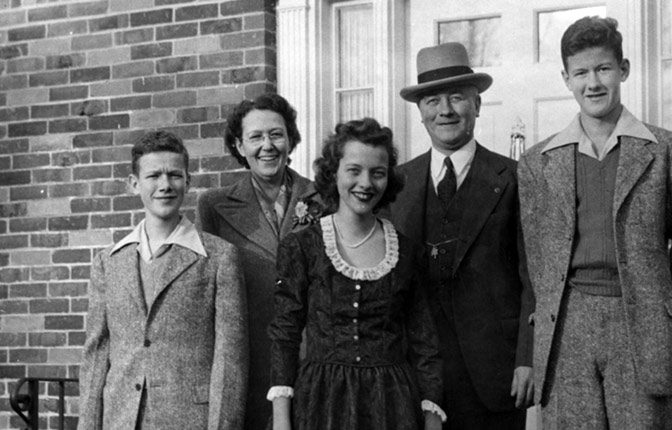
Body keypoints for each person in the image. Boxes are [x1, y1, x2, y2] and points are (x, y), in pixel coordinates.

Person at [517, 16, 672, 429]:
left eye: (603, 68)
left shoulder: (669, 152)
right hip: (568, 325)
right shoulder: (538, 163)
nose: (594, 83)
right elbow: (539, 259)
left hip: (638, 322)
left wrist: (663, 315)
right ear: (566, 78)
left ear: (623, 70)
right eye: (581, 72)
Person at [390, 42, 534, 429]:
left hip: (494, 375)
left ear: (477, 104)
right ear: (420, 112)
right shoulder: (396, 183)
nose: (446, 110)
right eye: (433, 100)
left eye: (457, 97)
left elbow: (533, 278)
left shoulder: (515, 178)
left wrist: (527, 356)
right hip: (414, 375)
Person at [268, 118, 446, 430]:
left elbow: (425, 343)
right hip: (321, 402)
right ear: (333, 173)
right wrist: (282, 421)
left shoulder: (406, 253)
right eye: (354, 170)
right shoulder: (302, 246)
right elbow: (285, 334)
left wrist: (432, 420)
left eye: (377, 173)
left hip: (391, 405)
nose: (365, 183)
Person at [78, 130, 248, 429]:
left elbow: (229, 360)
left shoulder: (219, 257)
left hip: (188, 420)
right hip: (120, 420)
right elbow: (96, 354)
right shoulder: (108, 262)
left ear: (188, 181)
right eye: (154, 176)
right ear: (134, 184)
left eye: (175, 175)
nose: (165, 185)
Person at [197, 93, 320, 429]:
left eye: (276, 134)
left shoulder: (324, 199)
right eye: (255, 137)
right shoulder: (214, 207)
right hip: (252, 366)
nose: (267, 146)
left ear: (291, 139)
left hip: (314, 364)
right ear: (239, 145)